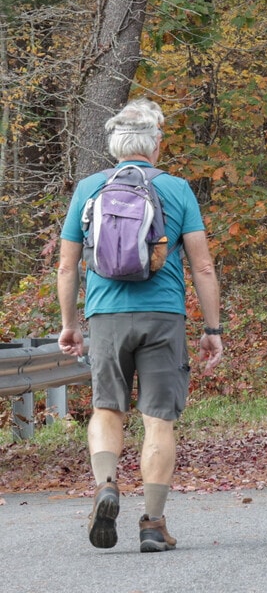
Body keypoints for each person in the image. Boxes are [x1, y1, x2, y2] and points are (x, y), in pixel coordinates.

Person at [57, 98, 223, 552]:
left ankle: (107, 484)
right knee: (158, 422)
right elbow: (203, 266)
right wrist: (213, 329)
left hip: (106, 316)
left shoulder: (90, 188)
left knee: (107, 409)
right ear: (156, 145)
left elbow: (67, 267)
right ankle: (152, 523)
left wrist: (71, 323)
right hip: (163, 315)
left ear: (114, 146)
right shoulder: (177, 188)